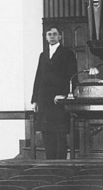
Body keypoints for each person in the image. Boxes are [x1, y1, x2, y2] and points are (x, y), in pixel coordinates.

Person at [31, 25, 77, 159]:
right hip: (44, 100)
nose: (52, 36)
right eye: (49, 34)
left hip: (58, 102)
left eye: (54, 34)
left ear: (60, 37)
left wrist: (64, 95)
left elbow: (73, 77)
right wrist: (35, 100)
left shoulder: (68, 54)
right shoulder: (43, 55)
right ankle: (49, 165)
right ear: (46, 37)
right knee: (47, 135)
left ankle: (60, 166)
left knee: (59, 135)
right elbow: (38, 77)